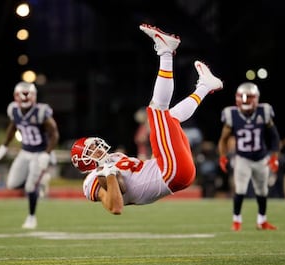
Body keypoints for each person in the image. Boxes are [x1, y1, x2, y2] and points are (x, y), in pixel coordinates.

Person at [70, 23, 223, 214]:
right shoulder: (92, 180)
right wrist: (108, 173)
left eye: (94, 145)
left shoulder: (114, 158)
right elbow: (116, 207)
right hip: (170, 173)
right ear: (84, 161)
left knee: (171, 117)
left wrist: (159, 146)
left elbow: (142, 175)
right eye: (91, 150)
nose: (97, 148)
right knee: (156, 110)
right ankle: (166, 52)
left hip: (169, 168)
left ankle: (206, 86)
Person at [0, 81, 59, 229]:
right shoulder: (14, 110)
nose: (24, 98)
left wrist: (47, 153)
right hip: (25, 152)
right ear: (16, 96)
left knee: (30, 187)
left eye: (27, 94)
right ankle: (40, 181)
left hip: (40, 153)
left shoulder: (41, 111)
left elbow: (54, 134)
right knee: (12, 184)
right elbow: (12, 127)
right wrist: (4, 145)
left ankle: (31, 218)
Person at [217, 82, 280, 231]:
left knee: (262, 191)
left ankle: (262, 221)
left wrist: (274, 156)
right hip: (242, 158)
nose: (245, 100)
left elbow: (274, 136)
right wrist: (222, 156)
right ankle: (237, 220)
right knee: (240, 190)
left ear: (256, 98)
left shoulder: (264, 111)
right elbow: (223, 139)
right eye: (243, 97)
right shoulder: (231, 114)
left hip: (261, 157)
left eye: (249, 97)